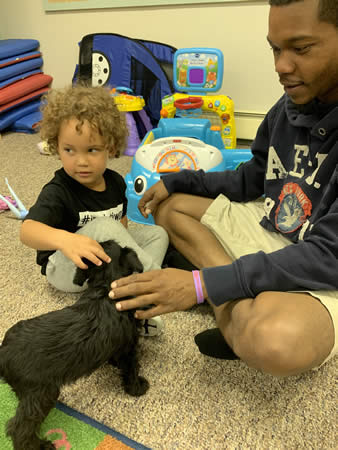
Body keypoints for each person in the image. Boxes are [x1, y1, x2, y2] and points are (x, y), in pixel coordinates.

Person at [109, 0, 338, 375]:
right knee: (170, 207)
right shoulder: (287, 106)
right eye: (275, 49)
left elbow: (330, 256)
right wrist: (176, 180)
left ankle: (229, 304)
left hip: (326, 263)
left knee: (275, 343)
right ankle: (237, 307)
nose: (281, 65)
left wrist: (201, 285)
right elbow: (250, 179)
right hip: (275, 227)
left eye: (300, 48)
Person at [20, 85, 169, 335]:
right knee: (103, 227)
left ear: (110, 148)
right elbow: (27, 231)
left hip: (99, 268)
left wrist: (124, 251)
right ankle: (157, 283)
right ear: (57, 146)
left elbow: (121, 223)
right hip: (64, 268)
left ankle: (132, 288)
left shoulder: (116, 182)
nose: (81, 161)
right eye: (69, 150)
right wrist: (67, 240)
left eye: (92, 150)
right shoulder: (58, 191)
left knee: (158, 233)